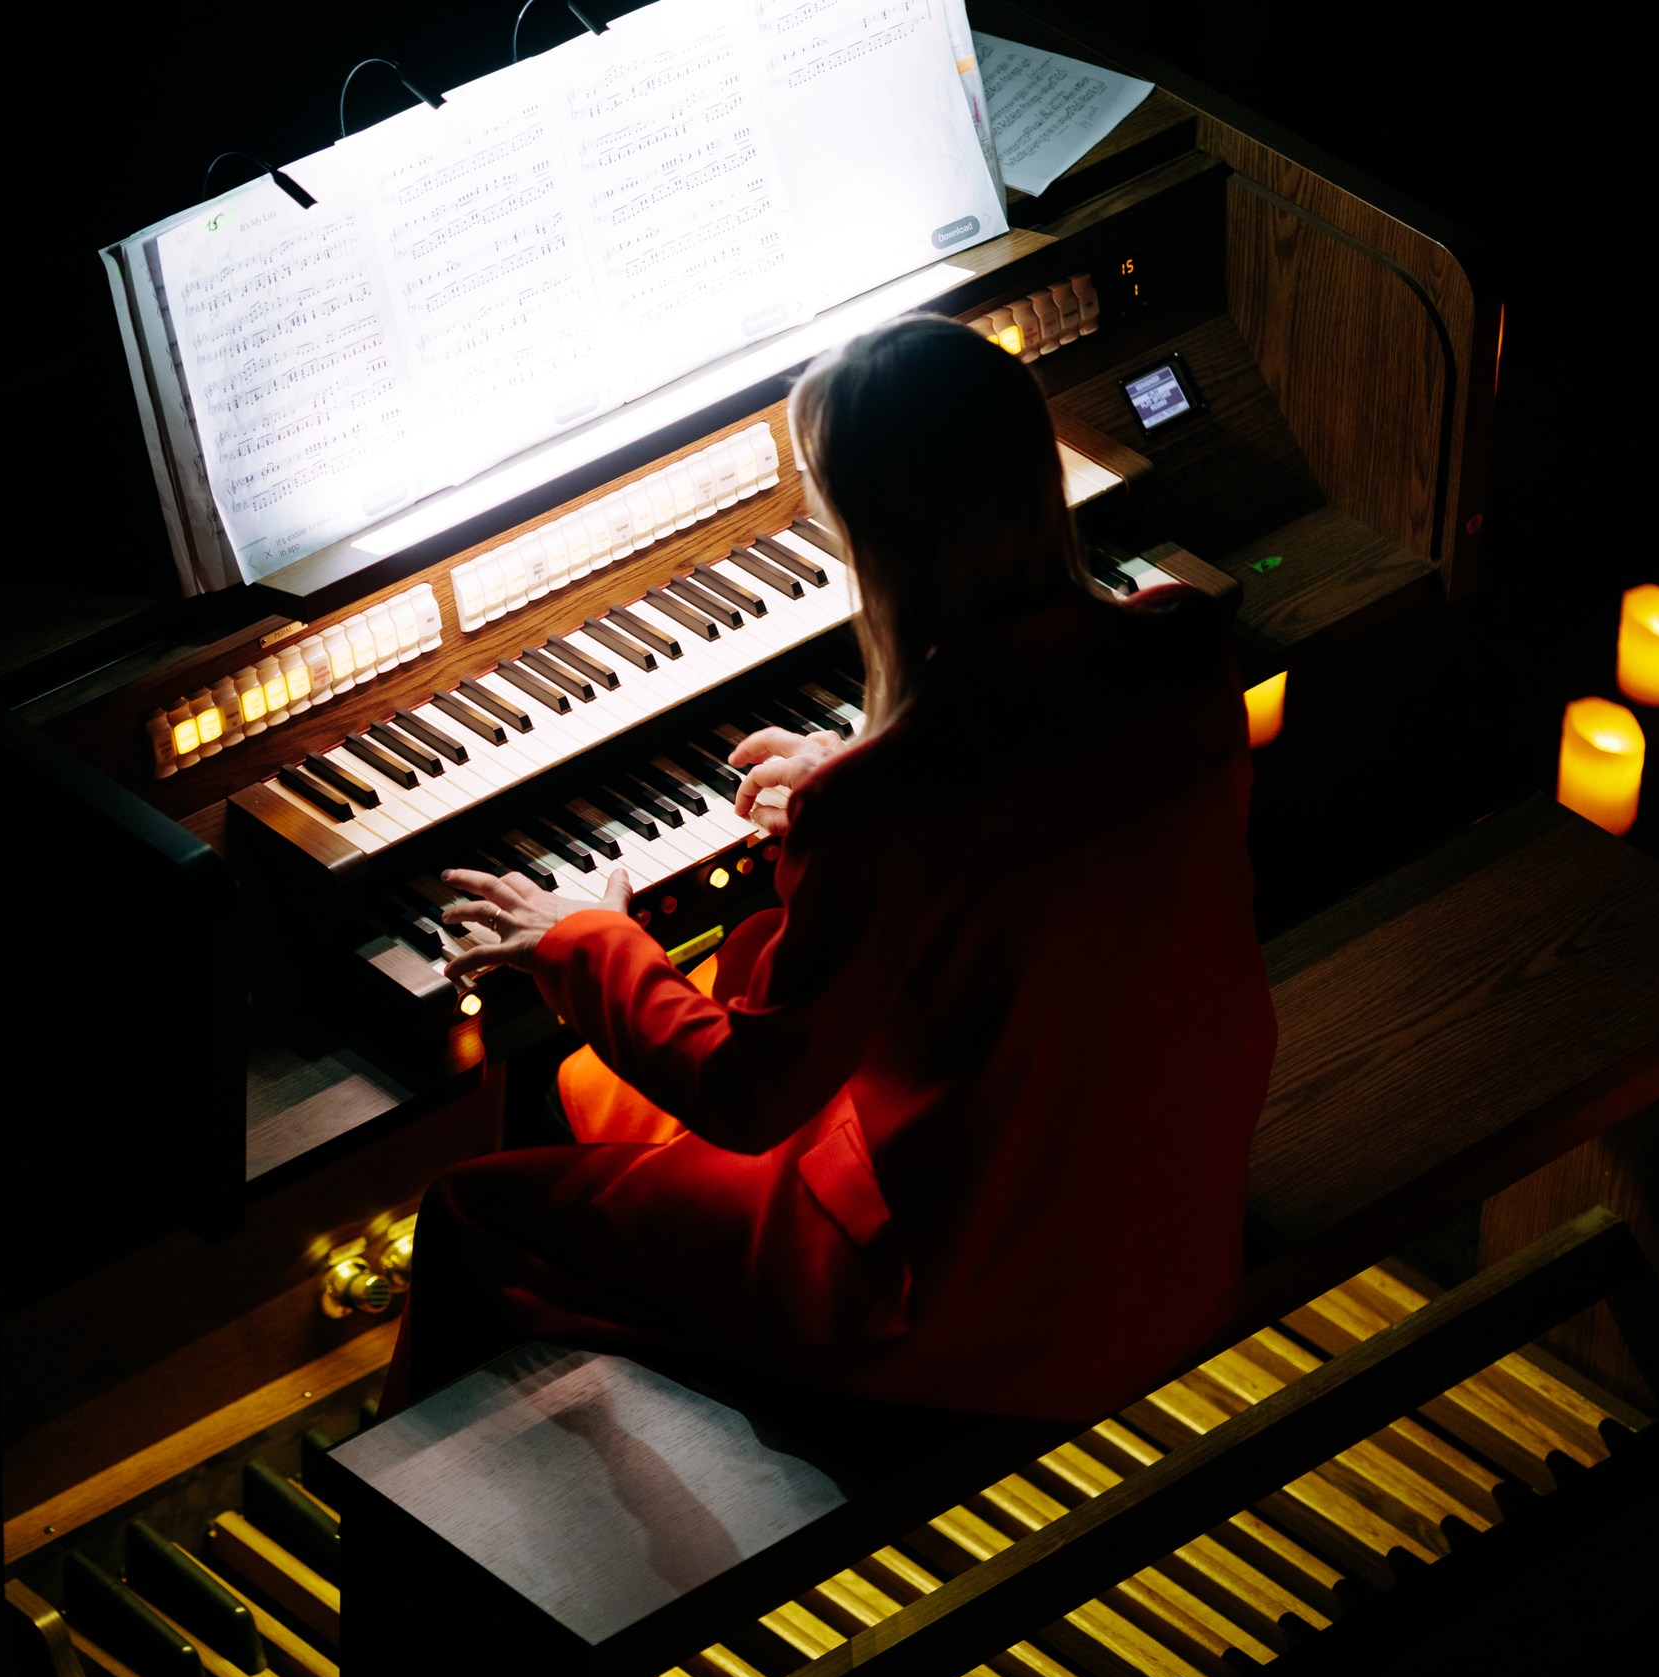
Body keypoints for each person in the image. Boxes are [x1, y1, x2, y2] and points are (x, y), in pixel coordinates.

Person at [378, 314, 1277, 1424]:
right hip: (1165, 1211)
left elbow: (749, 1098)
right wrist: (847, 776)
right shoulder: (1179, 641)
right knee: (638, 1051)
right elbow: (1044, 824)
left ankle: (422, 1514)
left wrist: (582, 939)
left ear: (873, 537)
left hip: (964, 1307)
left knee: (471, 1212)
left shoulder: (884, 804)